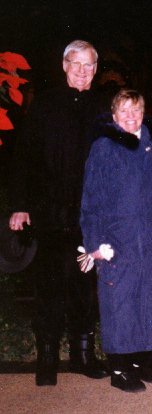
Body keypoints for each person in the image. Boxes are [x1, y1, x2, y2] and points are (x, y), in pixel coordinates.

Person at [8, 40, 108, 386]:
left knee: (86, 287)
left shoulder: (103, 107)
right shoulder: (45, 105)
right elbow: (24, 156)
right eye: (76, 64)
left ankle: (83, 355)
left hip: (90, 214)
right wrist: (20, 205)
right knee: (50, 286)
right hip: (49, 212)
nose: (82, 71)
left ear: (96, 69)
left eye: (89, 65)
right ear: (64, 65)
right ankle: (47, 359)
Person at [80, 89, 152, 393]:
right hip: (117, 240)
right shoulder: (104, 148)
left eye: (135, 110)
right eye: (123, 111)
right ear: (114, 116)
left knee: (149, 300)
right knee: (120, 303)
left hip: (149, 241)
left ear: (143, 113)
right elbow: (91, 200)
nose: (130, 116)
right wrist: (95, 243)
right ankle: (119, 368)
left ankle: (141, 361)